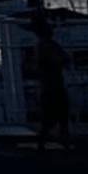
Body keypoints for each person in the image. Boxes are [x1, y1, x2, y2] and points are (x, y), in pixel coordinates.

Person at [35, 21, 71, 151]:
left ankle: (62, 140)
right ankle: (45, 142)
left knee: (60, 116)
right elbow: (61, 59)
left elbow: (64, 58)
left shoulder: (49, 45)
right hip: (50, 86)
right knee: (51, 117)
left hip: (53, 85)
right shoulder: (44, 46)